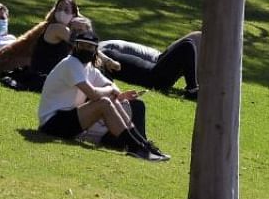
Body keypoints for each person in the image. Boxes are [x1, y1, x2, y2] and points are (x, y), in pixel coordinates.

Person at [36, 37, 170, 161]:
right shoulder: (71, 64)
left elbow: (111, 87)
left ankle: (143, 145)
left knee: (110, 99)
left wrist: (119, 95)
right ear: (75, 46)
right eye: (82, 45)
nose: (85, 49)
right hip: (52, 123)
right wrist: (111, 91)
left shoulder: (88, 68)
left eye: (89, 47)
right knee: (104, 102)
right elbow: (94, 94)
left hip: (68, 119)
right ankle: (135, 147)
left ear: (95, 50)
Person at [0, 0, 81, 87]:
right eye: (59, 9)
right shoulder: (56, 28)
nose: (62, 12)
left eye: (66, 10)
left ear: (73, 15)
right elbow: (82, 44)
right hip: (24, 67)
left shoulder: (49, 26)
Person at [99, 31, 201, 99]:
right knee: (187, 45)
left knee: (188, 44)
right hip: (154, 78)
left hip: (154, 70)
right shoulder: (100, 61)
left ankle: (192, 88)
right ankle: (191, 90)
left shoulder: (103, 54)